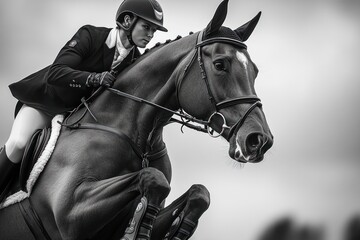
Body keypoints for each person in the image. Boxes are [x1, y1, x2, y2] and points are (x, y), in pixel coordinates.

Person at [0, 0, 168, 201]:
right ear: (127, 20)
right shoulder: (90, 35)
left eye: (154, 31)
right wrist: (93, 78)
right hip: (45, 104)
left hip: (77, 120)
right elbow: (56, 72)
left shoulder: (133, 63)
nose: (150, 35)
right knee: (18, 143)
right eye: (147, 27)